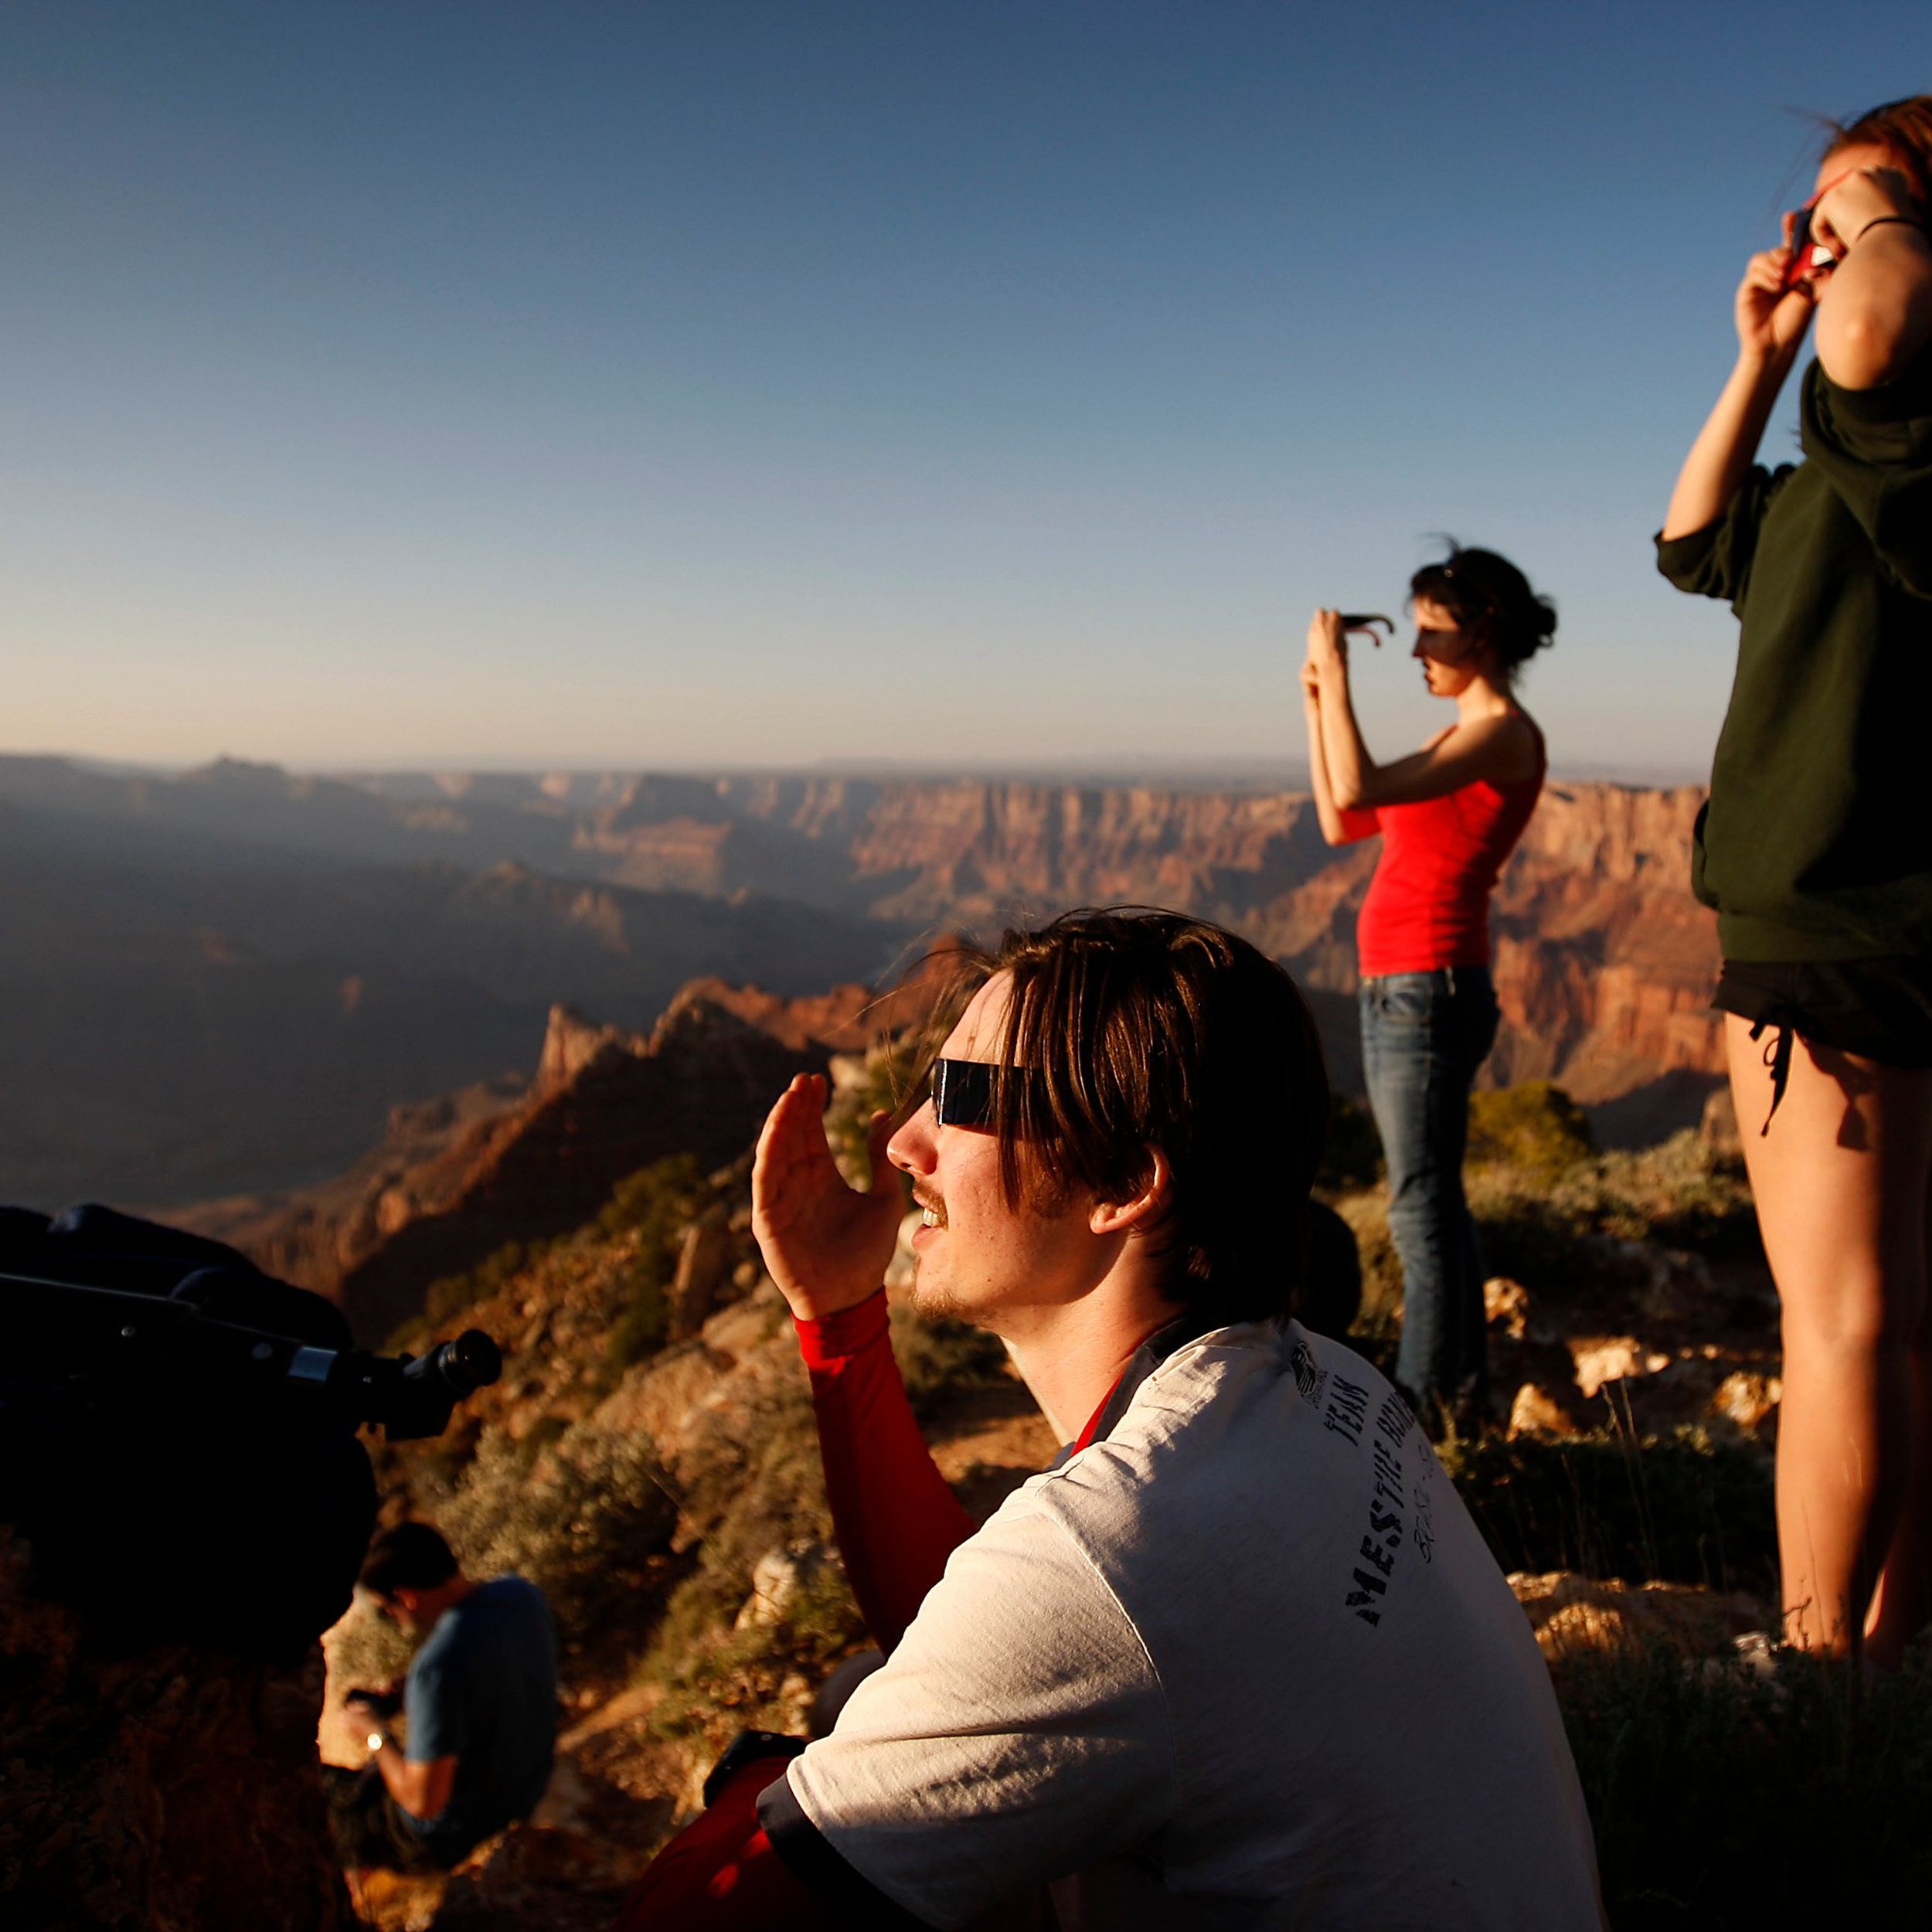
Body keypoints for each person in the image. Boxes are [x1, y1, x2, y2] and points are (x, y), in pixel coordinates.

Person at [617, 908, 1603, 1929]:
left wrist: (763, 1775)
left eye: (959, 1099)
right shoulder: (1316, 1384)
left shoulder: (1128, 1541)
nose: (904, 1142)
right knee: (867, 1689)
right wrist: (839, 1315)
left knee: (833, 1734)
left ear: (1126, 1182)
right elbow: (985, 1646)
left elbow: (693, 1917)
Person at [1656, 97, 1932, 1666]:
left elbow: (1880, 324)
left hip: (1828, 913)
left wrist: (1875, 199)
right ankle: (1892, 1668)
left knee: (1837, 1328)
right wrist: (1758, 350)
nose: (1817, 238)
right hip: (1865, 906)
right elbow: (1692, 539)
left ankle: (1820, 1686)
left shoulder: (1899, 410)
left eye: (1847, 207)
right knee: (1898, 1324)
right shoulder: (1838, 458)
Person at [1301, 549, 1554, 1430]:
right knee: (1431, 1196)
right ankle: (1456, 1390)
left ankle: (1422, 1404)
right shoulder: (1454, 740)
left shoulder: (1504, 735)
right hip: (1399, 987)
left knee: (1418, 1206)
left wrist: (1338, 673)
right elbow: (1343, 813)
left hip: (1429, 986)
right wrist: (1314, 697)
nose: (1415, 651)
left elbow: (1361, 782)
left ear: (1481, 630)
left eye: (1431, 632)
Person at [324, 1521, 557, 1878]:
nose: (394, 1620)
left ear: (406, 1597)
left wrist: (374, 1734)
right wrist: (414, 1694)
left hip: (455, 1834)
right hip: (527, 1788)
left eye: (386, 1611)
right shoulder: (521, 1595)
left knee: (327, 1797)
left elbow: (423, 1804)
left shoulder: (436, 1670)